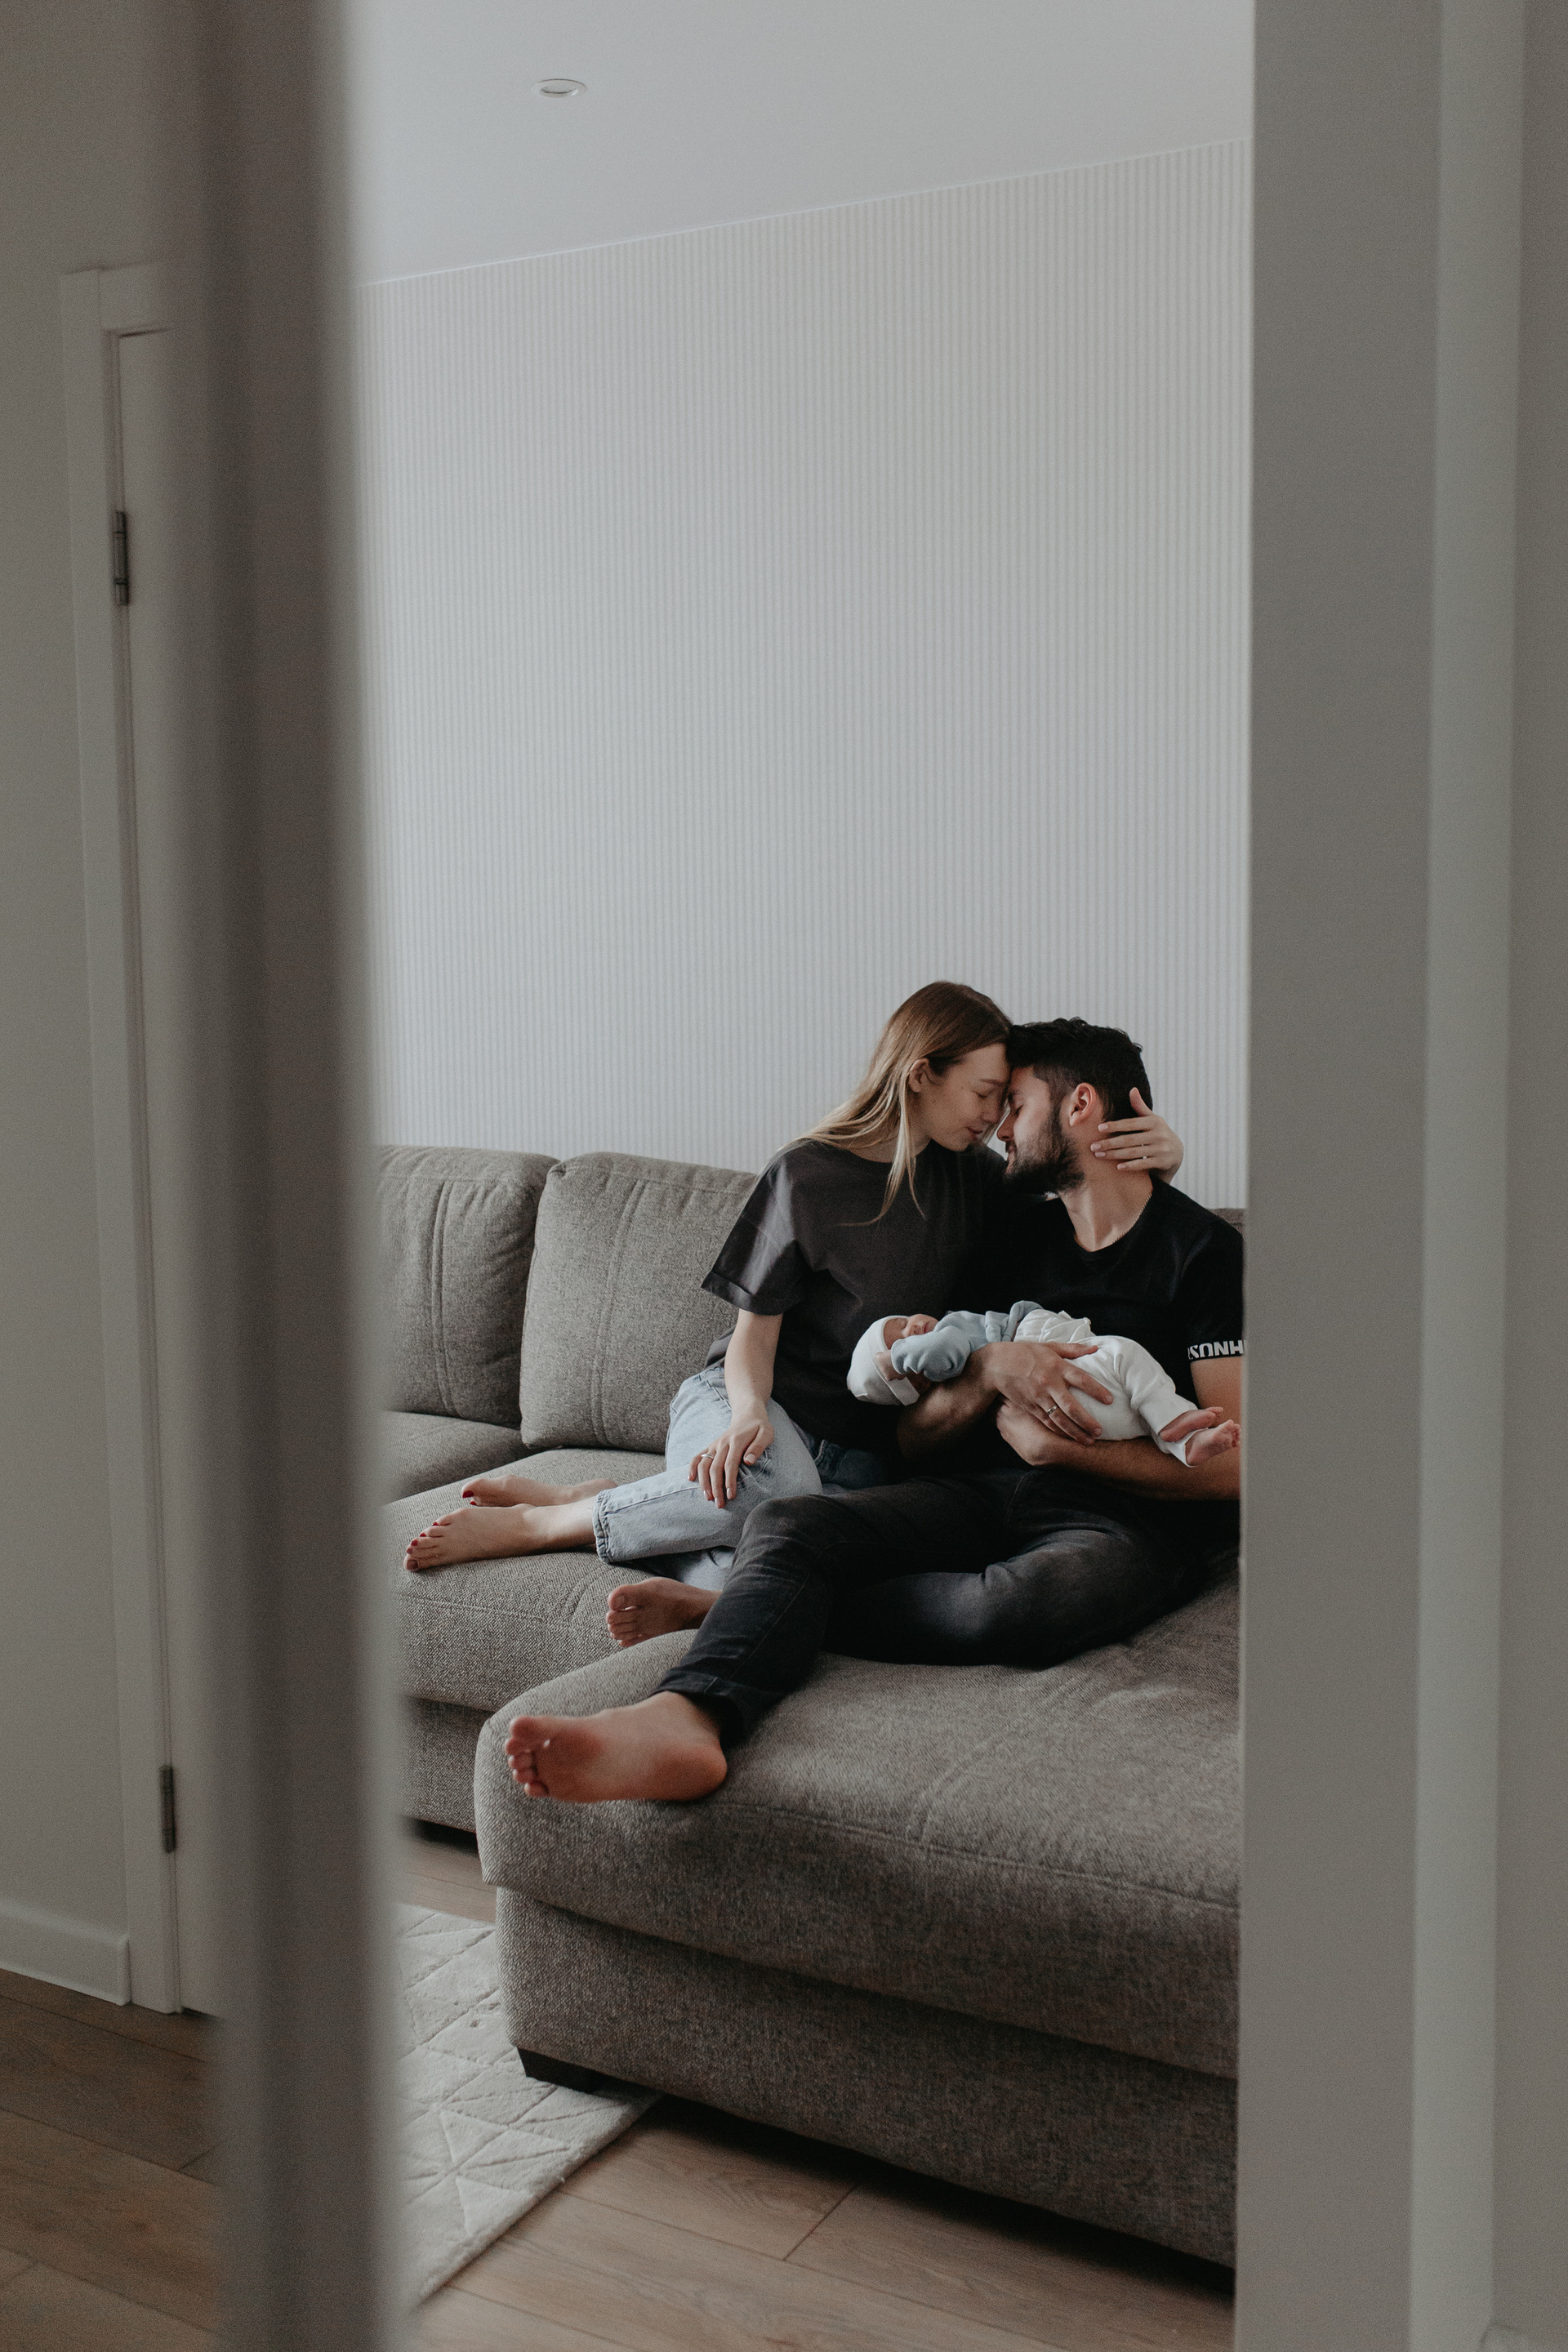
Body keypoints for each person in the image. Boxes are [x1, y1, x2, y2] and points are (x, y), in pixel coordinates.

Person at [497, 1018, 1243, 1804]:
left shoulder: (1204, 1253)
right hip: (979, 1494)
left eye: (1016, 1106)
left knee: (1019, 1603)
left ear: (1080, 1105)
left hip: (1122, 1521)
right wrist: (988, 1369)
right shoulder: (1008, 1233)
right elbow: (915, 1440)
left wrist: (1065, 1451)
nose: (999, 1130)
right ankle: (687, 1715)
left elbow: (1240, 1468)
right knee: (790, 1525)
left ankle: (745, 1605)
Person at [406, 986, 1184, 1582]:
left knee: (776, 1575)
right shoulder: (807, 1176)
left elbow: (1090, 1216)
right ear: (922, 1075)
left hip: (865, 1451)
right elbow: (753, 1340)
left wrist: (1162, 1165)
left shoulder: (976, 1182)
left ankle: (611, 1497)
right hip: (753, 1404)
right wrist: (749, 1415)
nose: (995, 1118)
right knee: (763, 1494)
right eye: (984, 1094)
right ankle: (549, 1525)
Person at [846, 1303, 1239, 1463]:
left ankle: (1182, 1442)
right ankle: (1177, 1432)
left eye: (902, 1323)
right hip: (1058, 1375)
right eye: (902, 1343)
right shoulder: (951, 1345)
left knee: (1132, 1386)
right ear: (920, 1381)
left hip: (1081, 1391)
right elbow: (945, 1350)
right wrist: (896, 1359)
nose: (912, 1330)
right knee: (1125, 1353)